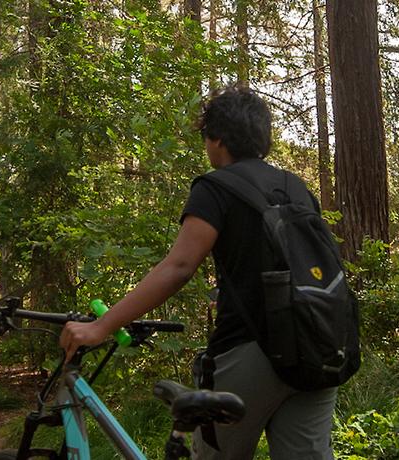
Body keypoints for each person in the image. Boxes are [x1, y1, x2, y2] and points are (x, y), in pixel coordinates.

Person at [60, 86, 336, 459]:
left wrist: (101, 326)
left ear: (218, 138)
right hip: (317, 349)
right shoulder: (297, 188)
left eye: (206, 138)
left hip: (249, 352)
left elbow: (179, 266)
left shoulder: (216, 187)